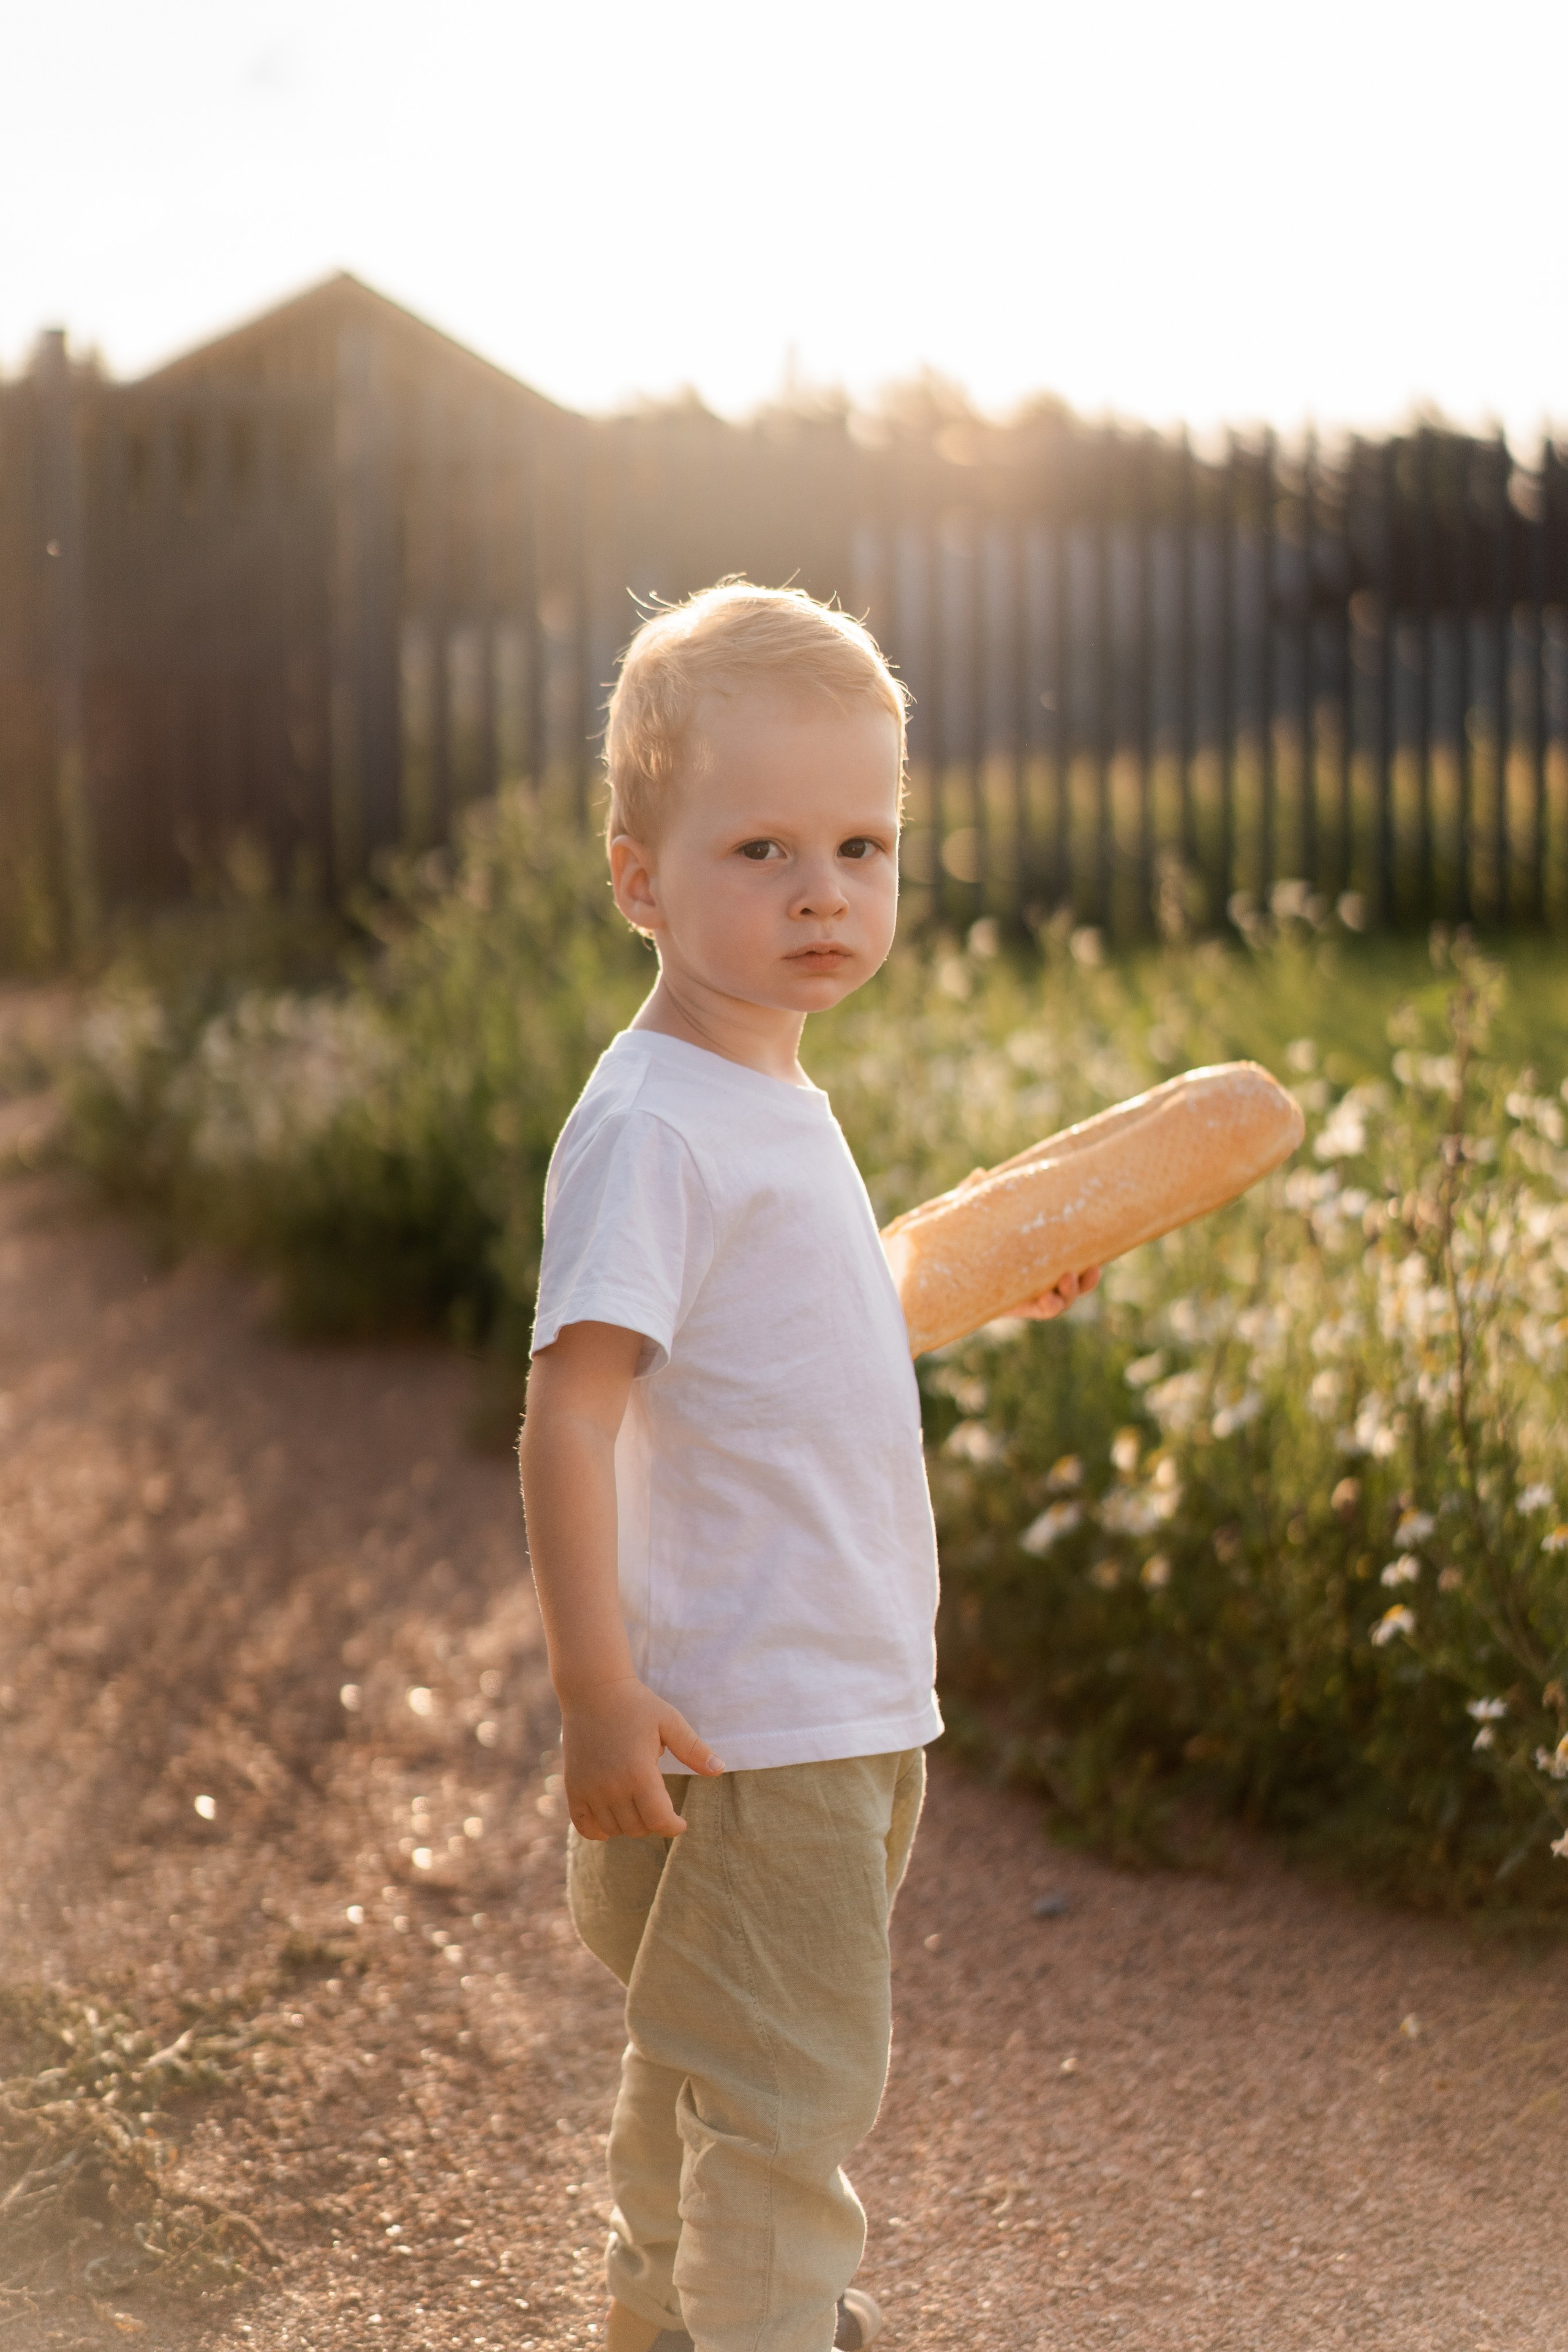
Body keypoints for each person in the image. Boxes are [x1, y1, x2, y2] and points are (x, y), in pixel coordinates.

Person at [518, 582, 1097, 2352]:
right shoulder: (658, 1123)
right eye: (761, 846)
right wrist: (593, 1691)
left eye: (861, 843)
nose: (821, 890)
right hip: (752, 1723)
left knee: (713, 2063)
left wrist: (963, 1293)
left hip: (817, 1701)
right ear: (641, 882)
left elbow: (775, 1347)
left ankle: (662, 2315)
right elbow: (571, 1410)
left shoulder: (762, 1094)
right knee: (789, 2102)